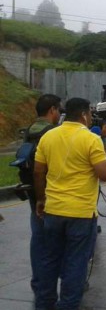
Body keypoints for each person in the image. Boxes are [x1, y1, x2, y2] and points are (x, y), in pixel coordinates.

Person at [33, 98, 106, 310]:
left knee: (49, 260)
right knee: (76, 263)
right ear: (85, 115)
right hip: (81, 213)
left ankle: (43, 307)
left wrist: (41, 200)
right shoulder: (91, 139)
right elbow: (103, 175)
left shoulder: (49, 136)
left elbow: (39, 171)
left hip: (53, 211)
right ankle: (67, 309)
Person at [16, 94, 62, 298]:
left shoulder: (30, 130)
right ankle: (52, 288)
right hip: (49, 193)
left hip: (33, 192)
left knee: (38, 239)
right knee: (58, 243)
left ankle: (39, 283)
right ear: (52, 110)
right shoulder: (52, 132)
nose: (59, 114)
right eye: (58, 110)